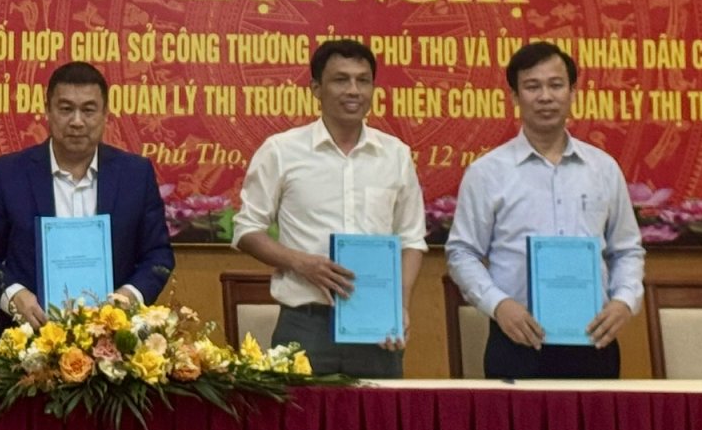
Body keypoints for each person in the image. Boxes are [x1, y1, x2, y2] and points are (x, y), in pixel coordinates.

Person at [446, 41, 645, 379]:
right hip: (517, 337)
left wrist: (624, 301)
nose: (545, 97)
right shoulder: (487, 172)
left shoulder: (603, 168)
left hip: (593, 337)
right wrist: (499, 305)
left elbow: (627, 250)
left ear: (573, 92)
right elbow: (462, 253)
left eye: (556, 85)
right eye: (532, 87)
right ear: (514, 97)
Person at [232, 38, 425, 377]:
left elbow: (411, 240)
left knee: (377, 414)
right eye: (340, 80)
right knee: (299, 415)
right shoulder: (281, 151)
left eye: (363, 80)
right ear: (316, 89)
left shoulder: (395, 155)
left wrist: (401, 305)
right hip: (305, 323)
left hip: (377, 327)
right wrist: (300, 262)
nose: (353, 90)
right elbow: (246, 230)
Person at [0, 61, 175, 336]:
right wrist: (14, 295)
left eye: (88, 110)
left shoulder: (135, 174)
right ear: (48, 111)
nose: (77, 121)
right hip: (27, 339)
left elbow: (158, 254)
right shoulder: (9, 173)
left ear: (105, 114)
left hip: (117, 340)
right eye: (66, 109)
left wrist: (130, 297)